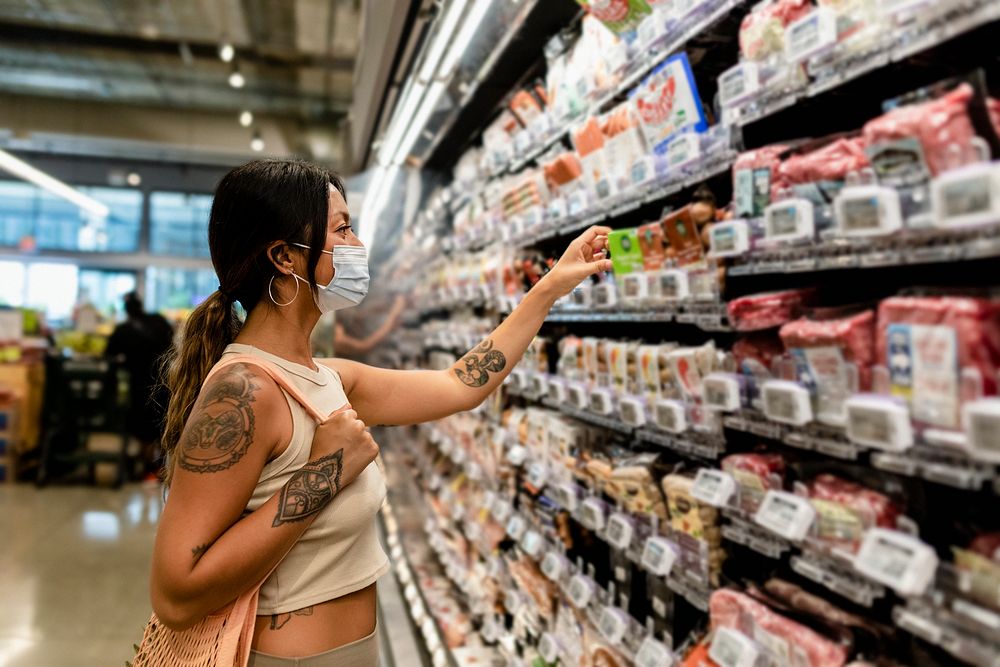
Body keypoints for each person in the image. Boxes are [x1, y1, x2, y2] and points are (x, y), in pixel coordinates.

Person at [149, 159, 611, 666]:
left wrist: (548, 288)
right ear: (283, 256)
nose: (357, 246)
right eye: (342, 229)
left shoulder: (327, 378)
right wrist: (324, 473)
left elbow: (458, 384)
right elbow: (176, 594)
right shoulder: (244, 391)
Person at [105, 291, 174, 479]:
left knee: (142, 425)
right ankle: (160, 466)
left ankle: (146, 467)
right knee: (161, 422)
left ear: (126, 310)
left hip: (138, 384)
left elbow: (109, 355)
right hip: (164, 380)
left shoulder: (123, 330)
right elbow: (171, 345)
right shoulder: (159, 321)